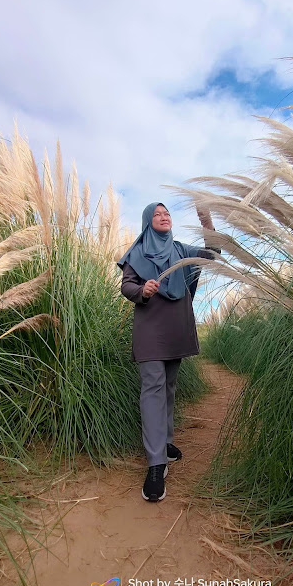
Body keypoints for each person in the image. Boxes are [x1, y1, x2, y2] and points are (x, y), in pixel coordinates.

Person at [116, 201, 221, 502]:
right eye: (157, 214)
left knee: (169, 387)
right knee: (153, 386)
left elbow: (213, 255)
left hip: (177, 324)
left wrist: (206, 221)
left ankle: (165, 442)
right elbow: (127, 286)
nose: (163, 217)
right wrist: (142, 292)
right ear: (148, 220)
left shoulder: (181, 249)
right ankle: (155, 464)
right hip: (150, 325)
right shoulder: (137, 252)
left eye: (167, 213)